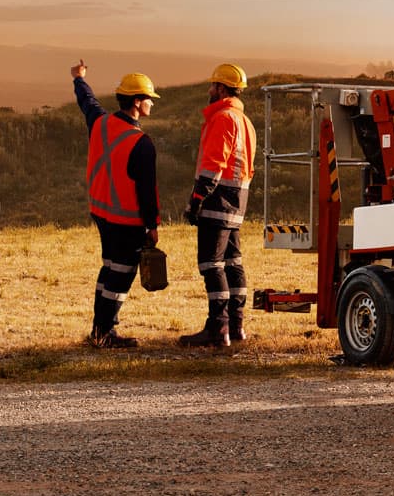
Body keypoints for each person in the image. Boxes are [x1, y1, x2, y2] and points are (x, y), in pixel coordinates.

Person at [72, 61, 161, 348]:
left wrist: (79, 78)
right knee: (121, 274)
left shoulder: (100, 122)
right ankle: (106, 333)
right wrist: (153, 226)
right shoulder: (141, 143)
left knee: (109, 268)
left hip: (101, 214)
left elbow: (88, 102)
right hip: (127, 220)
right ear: (137, 102)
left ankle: (98, 331)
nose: (151, 104)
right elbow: (147, 192)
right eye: (148, 99)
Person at [180, 63, 257, 349]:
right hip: (238, 201)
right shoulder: (244, 120)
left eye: (213, 85)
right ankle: (236, 326)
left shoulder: (223, 118)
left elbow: (213, 164)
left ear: (222, 89)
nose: (209, 90)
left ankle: (218, 328)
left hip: (217, 200)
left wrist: (196, 200)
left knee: (211, 264)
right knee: (233, 262)